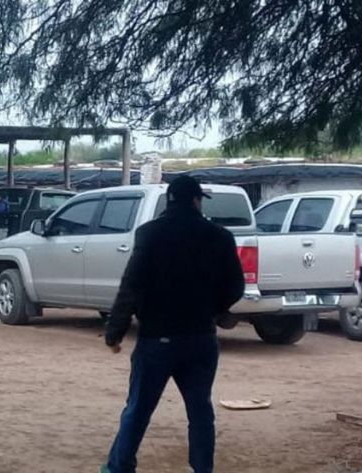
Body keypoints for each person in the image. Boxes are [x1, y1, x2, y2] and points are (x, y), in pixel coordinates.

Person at [102, 176, 245, 473]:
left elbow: (131, 286)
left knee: (138, 409)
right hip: (201, 338)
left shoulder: (149, 234)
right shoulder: (220, 236)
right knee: (200, 411)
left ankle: (119, 467)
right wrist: (214, 310)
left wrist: (115, 332)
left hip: (157, 339)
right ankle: (202, 468)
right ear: (195, 200)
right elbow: (235, 287)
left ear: (170, 200)